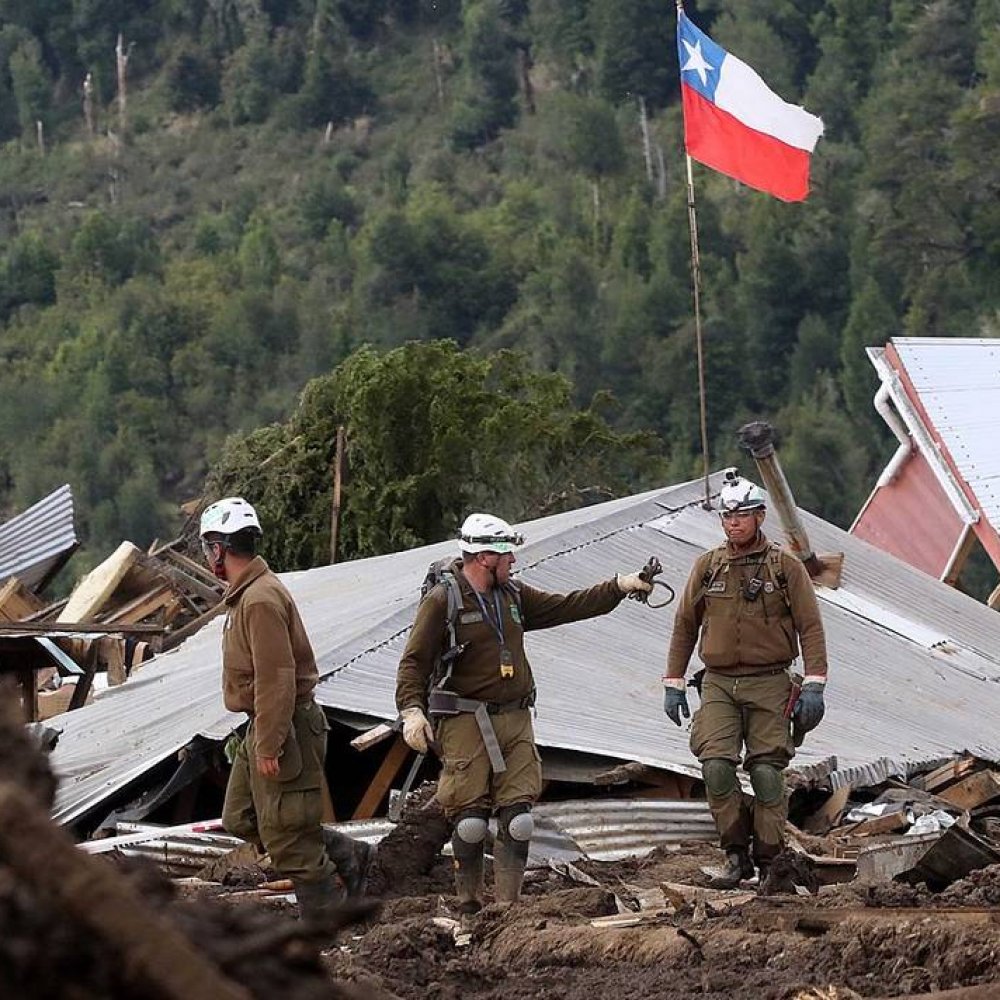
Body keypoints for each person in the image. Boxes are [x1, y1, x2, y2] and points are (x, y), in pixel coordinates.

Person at [395, 512, 653, 918]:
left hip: (515, 718)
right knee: (470, 822)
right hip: (466, 720)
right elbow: (413, 662)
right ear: (484, 557)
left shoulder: (511, 596)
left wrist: (619, 586)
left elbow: (567, 606)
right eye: (506, 554)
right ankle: (468, 908)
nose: (513, 561)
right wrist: (411, 710)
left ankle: (508, 910)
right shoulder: (443, 601)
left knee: (519, 820)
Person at [200, 496, 373, 923]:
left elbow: (277, 677)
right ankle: (348, 856)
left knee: (289, 839)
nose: (207, 557)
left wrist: (271, 744)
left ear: (220, 549)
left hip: (283, 724)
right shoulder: (248, 596)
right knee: (241, 817)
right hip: (263, 723)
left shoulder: (259, 600)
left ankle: (330, 929)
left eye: (208, 548)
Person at [662, 471, 827, 888]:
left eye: (741, 515)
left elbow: (810, 626)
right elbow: (685, 624)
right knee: (715, 766)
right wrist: (673, 681)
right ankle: (736, 855)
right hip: (717, 681)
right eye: (726, 516)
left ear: (759, 516)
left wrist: (814, 683)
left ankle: (771, 859)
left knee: (767, 773)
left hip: (770, 680)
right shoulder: (708, 566)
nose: (733, 522)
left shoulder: (785, 567)